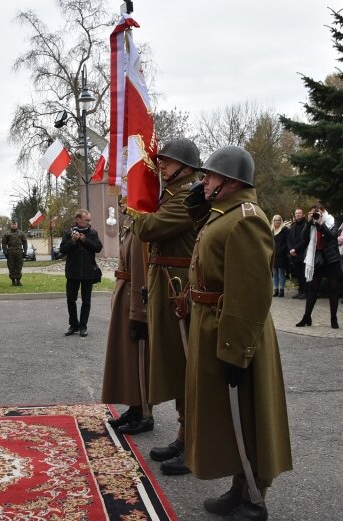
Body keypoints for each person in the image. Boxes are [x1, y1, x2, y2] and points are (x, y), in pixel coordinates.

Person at [184, 145, 292, 521]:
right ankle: (238, 485)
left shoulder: (246, 219)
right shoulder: (223, 213)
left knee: (247, 412)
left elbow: (249, 293)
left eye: (209, 176)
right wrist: (197, 203)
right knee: (227, 416)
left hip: (235, 331)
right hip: (214, 323)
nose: (203, 181)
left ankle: (255, 497)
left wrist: (235, 349)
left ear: (228, 182)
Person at [129, 138, 206, 475]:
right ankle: (183, 434)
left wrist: (133, 203)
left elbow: (149, 227)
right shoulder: (173, 193)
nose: (161, 165)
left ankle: (193, 443)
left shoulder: (190, 195)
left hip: (180, 290)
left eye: (168, 161)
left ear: (186, 167)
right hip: (168, 285)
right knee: (176, 367)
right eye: (161, 160)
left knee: (185, 366)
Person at [102, 198, 152, 435]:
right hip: (125, 294)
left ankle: (145, 412)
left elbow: (141, 272)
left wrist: (139, 312)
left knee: (138, 358)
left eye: (125, 196)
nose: (121, 201)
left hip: (133, 296)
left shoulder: (142, 225)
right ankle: (134, 406)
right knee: (128, 358)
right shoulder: (130, 223)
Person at [296, 204, 342, 329]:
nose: (315, 214)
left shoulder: (332, 221)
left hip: (331, 259)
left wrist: (321, 224)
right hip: (316, 259)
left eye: (317, 212)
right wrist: (309, 223)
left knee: (333, 289)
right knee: (312, 289)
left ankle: (333, 318)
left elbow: (332, 237)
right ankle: (306, 317)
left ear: (323, 212)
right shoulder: (311, 223)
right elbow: (304, 238)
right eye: (312, 212)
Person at [59, 209, 102, 337]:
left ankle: (83, 326)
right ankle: (73, 325)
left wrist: (85, 240)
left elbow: (98, 248)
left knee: (86, 301)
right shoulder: (68, 232)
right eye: (86, 220)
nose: (89, 222)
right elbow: (62, 250)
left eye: (89, 220)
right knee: (71, 300)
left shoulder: (92, 232)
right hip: (73, 272)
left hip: (88, 272)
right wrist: (72, 241)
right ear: (78, 219)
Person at [287, 208, 308, 299]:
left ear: (303, 215)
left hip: (302, 253)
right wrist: (291, 249)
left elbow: (305, 240)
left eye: (299, 213)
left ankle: (305, 292)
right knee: (298, 274)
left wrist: (295, 249)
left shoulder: (306, 225)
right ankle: (300, 291)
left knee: (304, 274)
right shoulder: (293, 225)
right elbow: (288, 239)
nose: (297, 214)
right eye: (296, 213)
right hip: (293, 254)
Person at [3, 220, 27, 286]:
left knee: (19, 267)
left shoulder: (21, 233)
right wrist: (5, 252)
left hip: (19, 253)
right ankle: (13, 281)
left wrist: (25, 251)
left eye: (15, 224)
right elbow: (4, 243)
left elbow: (25, 243)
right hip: (10, 254)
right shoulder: (7, 234)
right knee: (11, 267)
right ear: (11, 225)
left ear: (17, 225)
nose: (14, 225)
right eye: (12, 224)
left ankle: (18, 281)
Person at [271, 215, 289, 297]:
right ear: (273, 221)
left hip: (282, 255)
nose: (277, 221)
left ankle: (281, 290)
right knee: (274, 273)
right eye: (275, 220)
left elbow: (287, 242)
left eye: (278, 220)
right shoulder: (271, 231)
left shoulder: (284, 230)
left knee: (281, 272)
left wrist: (281, 250)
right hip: (274, 255)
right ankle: (275, 290)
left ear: (281, 221)